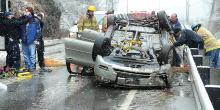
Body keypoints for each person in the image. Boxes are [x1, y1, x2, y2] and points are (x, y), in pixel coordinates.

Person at [20, 7, 41, 72]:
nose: (25, 12)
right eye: (25, 11)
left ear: (30, 12)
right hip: (24, 40)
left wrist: (36, 39)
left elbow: (38, 31)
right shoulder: (23, 20)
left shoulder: (35, 20)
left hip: (32, 40)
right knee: (26, 55)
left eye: (27, 11)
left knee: (32, 55)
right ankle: (28, 67)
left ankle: (32, 68)